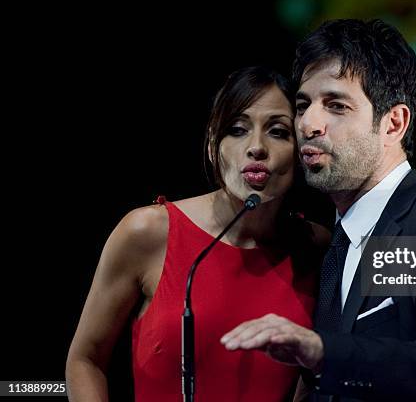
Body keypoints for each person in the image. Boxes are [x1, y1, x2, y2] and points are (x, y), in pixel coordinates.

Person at [220, 19, 416, 402]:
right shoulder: (331, 244)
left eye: (336, 105)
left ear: (393, 124)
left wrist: (323, 352)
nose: (309, 124)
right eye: (303, 105)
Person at [66, 66, 330, 401]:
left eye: (278, 132)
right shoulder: (147, 232)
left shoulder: (317, 248)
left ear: (302, 152)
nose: (256, 148)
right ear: (211, 145)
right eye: (237, 130)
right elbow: (84, 360)